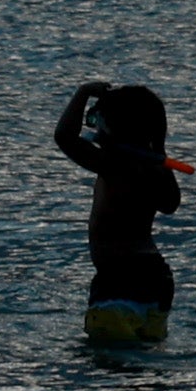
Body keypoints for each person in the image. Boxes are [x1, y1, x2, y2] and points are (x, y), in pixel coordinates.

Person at [50, 79, 184, 342]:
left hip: (118, 278)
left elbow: (64, 137)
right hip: (155, 277)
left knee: (110, 364)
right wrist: (160, 154)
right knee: (143, 362)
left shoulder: (113, 164)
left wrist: (83, 92)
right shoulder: (154, 169)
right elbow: (170, 205)